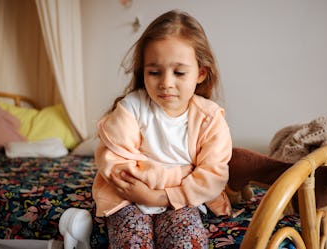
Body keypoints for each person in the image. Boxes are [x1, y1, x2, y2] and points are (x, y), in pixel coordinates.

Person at [92, 9, 232, 249]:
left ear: (200, 73)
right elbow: (115, 163)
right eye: (154, 72)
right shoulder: (131, 109)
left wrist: (157, 195)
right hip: (128, 198)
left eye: (179, 72)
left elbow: (212, 176)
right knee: (131, 240)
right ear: (143, 72)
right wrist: (180, 176)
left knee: (186, 239)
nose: (166, 82)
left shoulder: (210, 119)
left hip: (182, 202)